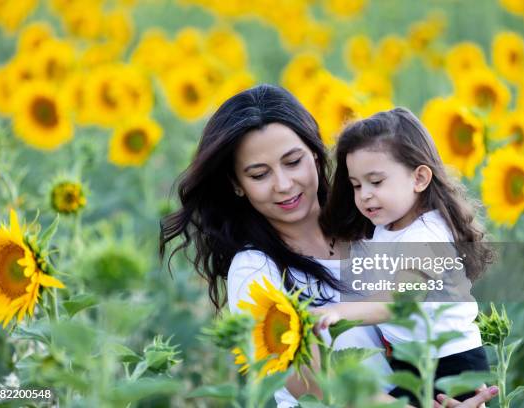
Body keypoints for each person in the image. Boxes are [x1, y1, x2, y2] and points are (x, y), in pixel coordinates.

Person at [160, 85, 496, 408]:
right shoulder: (255, 270)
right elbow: (314, 385)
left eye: (293, 162)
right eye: (259, 175)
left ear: (316, 155)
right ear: (237, 185)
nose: (283, 184)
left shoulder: (374, 228)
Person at [315, 108, 493, 404]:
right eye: (356, 185)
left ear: (419, 178)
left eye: (376, 181)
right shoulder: (387, 226)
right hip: (411, 361)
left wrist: (338, 313)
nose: (364, 195)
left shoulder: (429, 236)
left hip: (452, 366)